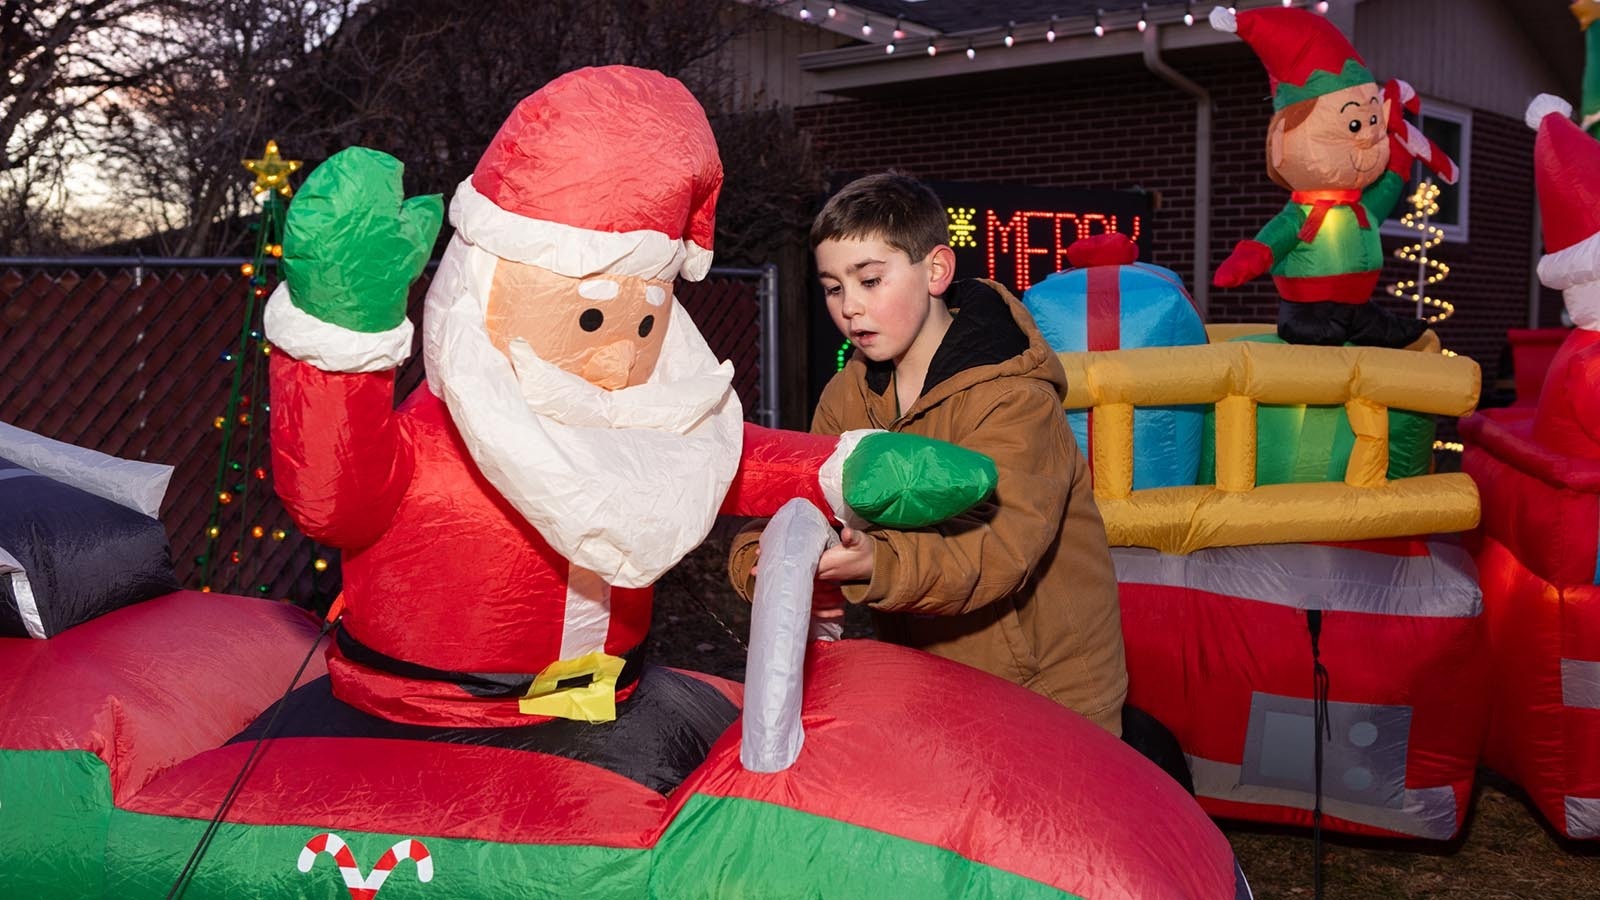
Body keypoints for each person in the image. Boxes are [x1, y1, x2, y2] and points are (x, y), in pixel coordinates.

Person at [728, 172, 1132, 740]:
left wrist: (876, 563)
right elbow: (800, 497)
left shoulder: (1015, 397)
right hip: (931, 679)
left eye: (870, 280)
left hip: (1050, 692)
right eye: (833, 287)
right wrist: (770, 560)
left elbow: (999, 550)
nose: (850, 307)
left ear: (936, 270)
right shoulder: (848, 396)